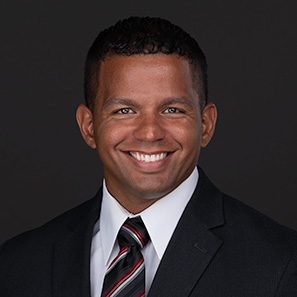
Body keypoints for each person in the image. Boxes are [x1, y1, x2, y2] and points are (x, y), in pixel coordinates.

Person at [0, 16, 296, 297]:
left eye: (172, 110)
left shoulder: (281, 265)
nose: (150, 133)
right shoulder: (17, 266)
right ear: (89, 127)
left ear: (205, 125)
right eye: (125, 111)